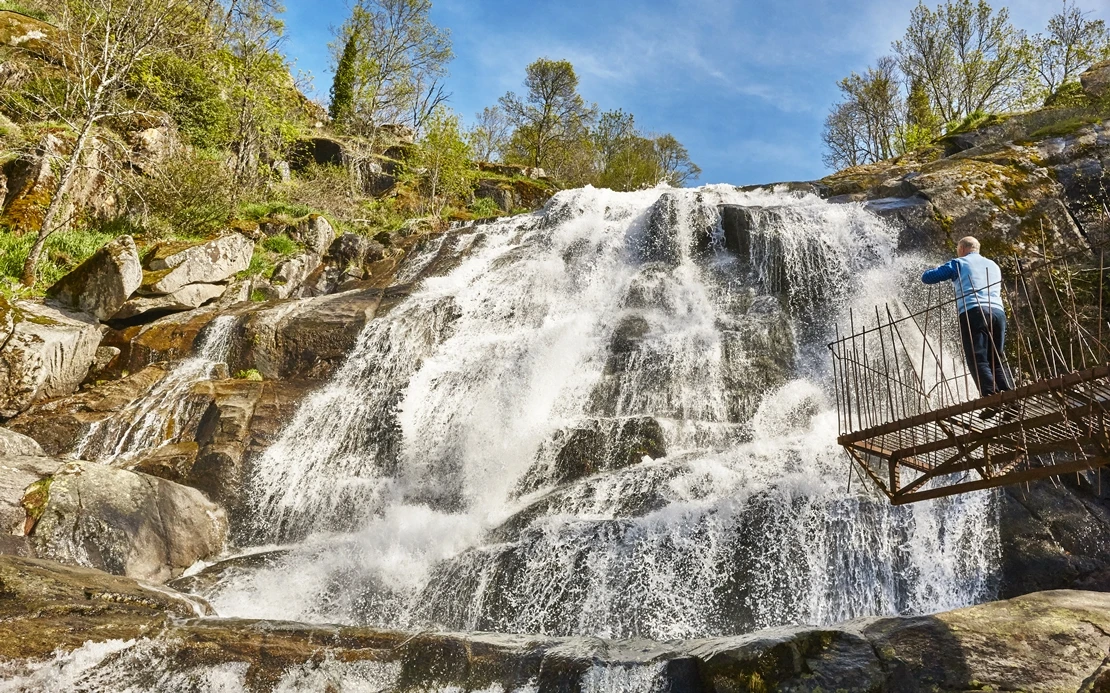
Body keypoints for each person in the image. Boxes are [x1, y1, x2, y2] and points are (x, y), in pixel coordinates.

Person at [921, 236, 1014, 403]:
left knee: (978, 356)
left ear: (962, 249)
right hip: (998, 313)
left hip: (974, 311)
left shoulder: (959, 263)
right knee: (996, 358)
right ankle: (1010, 399)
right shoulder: (993, 265)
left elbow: (928, 277)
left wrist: (936, 269)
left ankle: (990, 397)